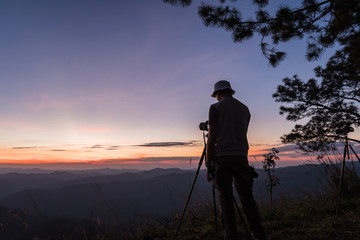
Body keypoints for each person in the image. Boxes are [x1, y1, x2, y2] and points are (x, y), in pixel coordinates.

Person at [206, 80, 266, 240]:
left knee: (225, 198)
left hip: (222, 157)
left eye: (216, 95)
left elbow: (212, 137)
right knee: (247, 197)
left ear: (217, 94)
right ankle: (258, 234)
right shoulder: (245, 109)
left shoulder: (215, 108)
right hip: (241, 156)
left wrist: (208, 162)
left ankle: (231, 235)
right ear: (230, 91)